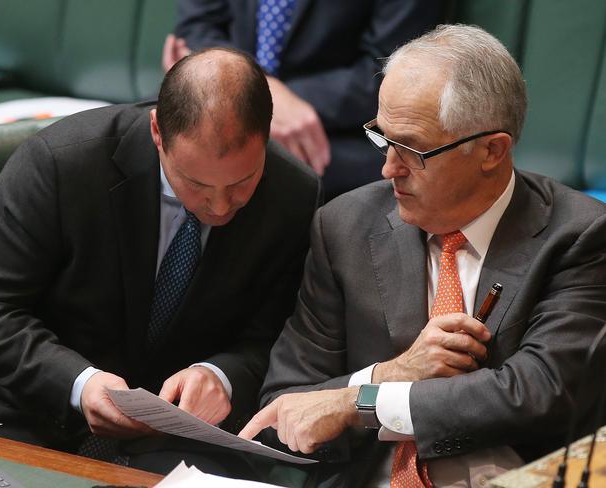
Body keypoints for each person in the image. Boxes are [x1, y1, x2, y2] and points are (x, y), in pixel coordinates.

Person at [239, 25, 606, 487]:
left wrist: (363, 402)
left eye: (412, 149)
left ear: (491, 150)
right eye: (382, 137)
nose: (388, 167)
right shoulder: (344, 226)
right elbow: (283, 408)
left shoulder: (579, 235)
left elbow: (539, 391)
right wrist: (391, 374)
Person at [0, 47, 321, 475]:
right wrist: (80, 383)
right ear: (157, 133)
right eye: (196, 183)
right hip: (24, 405)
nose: (221, 206)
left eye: (243, 181)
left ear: (266, 136)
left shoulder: (292, 194)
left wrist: (222, 375)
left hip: (177, 432)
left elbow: (281, 337)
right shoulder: (61, 163)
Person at [165, 0, 442, 200]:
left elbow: (393, 69)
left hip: (338, 128)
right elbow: (194, 32)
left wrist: (274, 99)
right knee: (147, 137)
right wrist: (261, 91)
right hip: (223, 101)